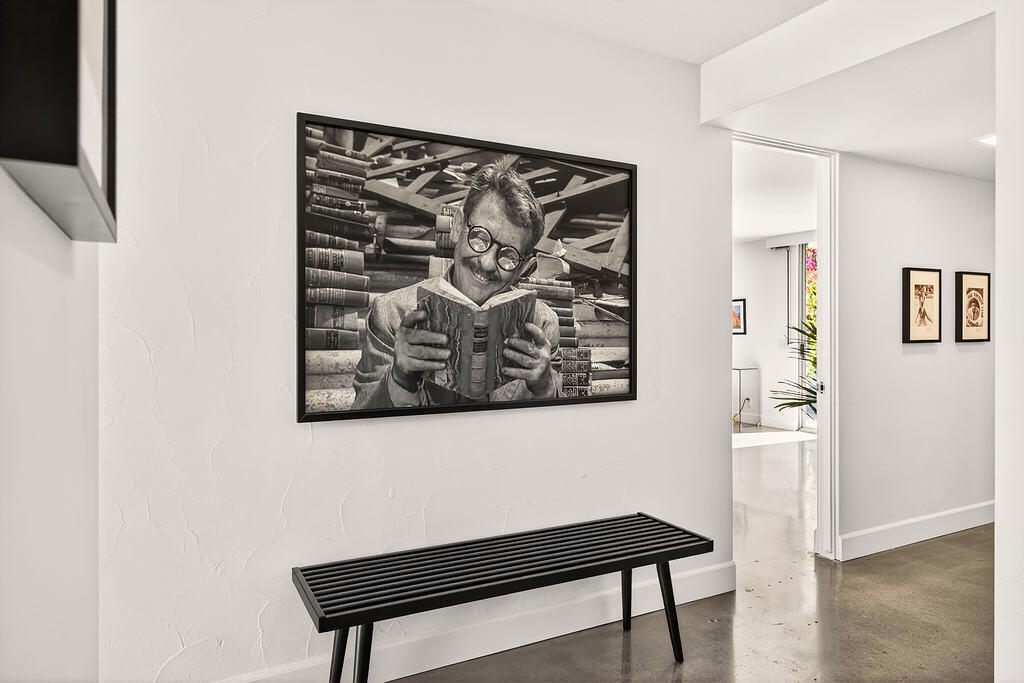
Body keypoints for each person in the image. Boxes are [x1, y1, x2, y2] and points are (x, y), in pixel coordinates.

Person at [352, 157, 561, 409]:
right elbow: (361, 422)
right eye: (480, 237)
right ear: (458, 225)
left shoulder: (542, 325)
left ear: (522, 267)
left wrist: (546, 388)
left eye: (508, 254)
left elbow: (556, 426)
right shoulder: (390, 314)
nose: (487, 263)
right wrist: (399, 379)